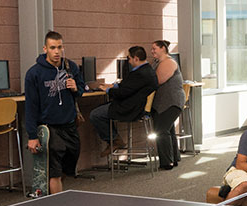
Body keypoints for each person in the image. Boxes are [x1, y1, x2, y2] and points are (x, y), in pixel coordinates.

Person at [23, 31, 85, 196]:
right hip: (50, 128)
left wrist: (75, 88)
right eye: (52, 48)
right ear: (45, 49)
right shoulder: (34, 73)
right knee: (54, 171)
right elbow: (30, 106)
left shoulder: (70, 67)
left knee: (68, 166)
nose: (56, 51)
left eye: (59, 47)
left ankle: (52, 196)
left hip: (69, 124)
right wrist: (32, 135)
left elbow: (81, 90)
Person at [88, 46, 158, 147]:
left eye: (129, 58)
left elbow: (123, 93)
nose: (128, 61)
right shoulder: (148, 70)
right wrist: (114, 86)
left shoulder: (139, 73)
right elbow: (130, 86)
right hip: (138, 106)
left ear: (136, 59)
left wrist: (108, 90)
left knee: (95, 114)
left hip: (130, 108)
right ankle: (114, 140)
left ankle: (114, 141)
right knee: (103, 109)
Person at [149, 40, 186, 170]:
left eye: (155, 48)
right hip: (164, 102)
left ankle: (166, 162)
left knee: (161, 130)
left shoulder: (168, 62)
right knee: (168, 129)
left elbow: (158, 80)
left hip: (171, 101)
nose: (152, 51)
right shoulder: (158, 62)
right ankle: (173, 159)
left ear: (163, 48)